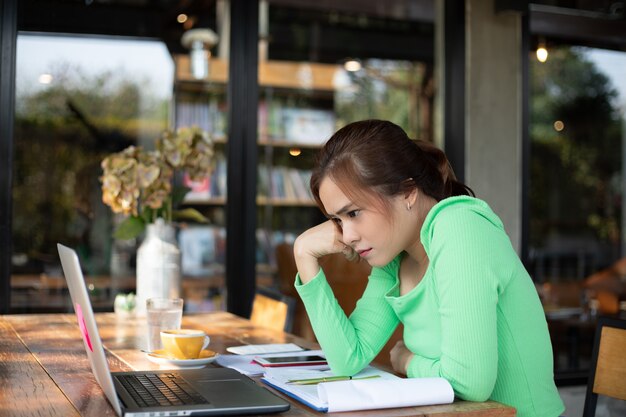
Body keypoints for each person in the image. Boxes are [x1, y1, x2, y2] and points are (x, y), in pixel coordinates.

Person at [293, 120, 564, 417]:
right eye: (338, 221)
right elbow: (347, 358)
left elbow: (471, 383)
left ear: (408, 191)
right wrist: (304, 255)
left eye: (354, 213)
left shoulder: (459, 227)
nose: (347, 236)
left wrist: (408, 361)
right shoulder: (394, 259)